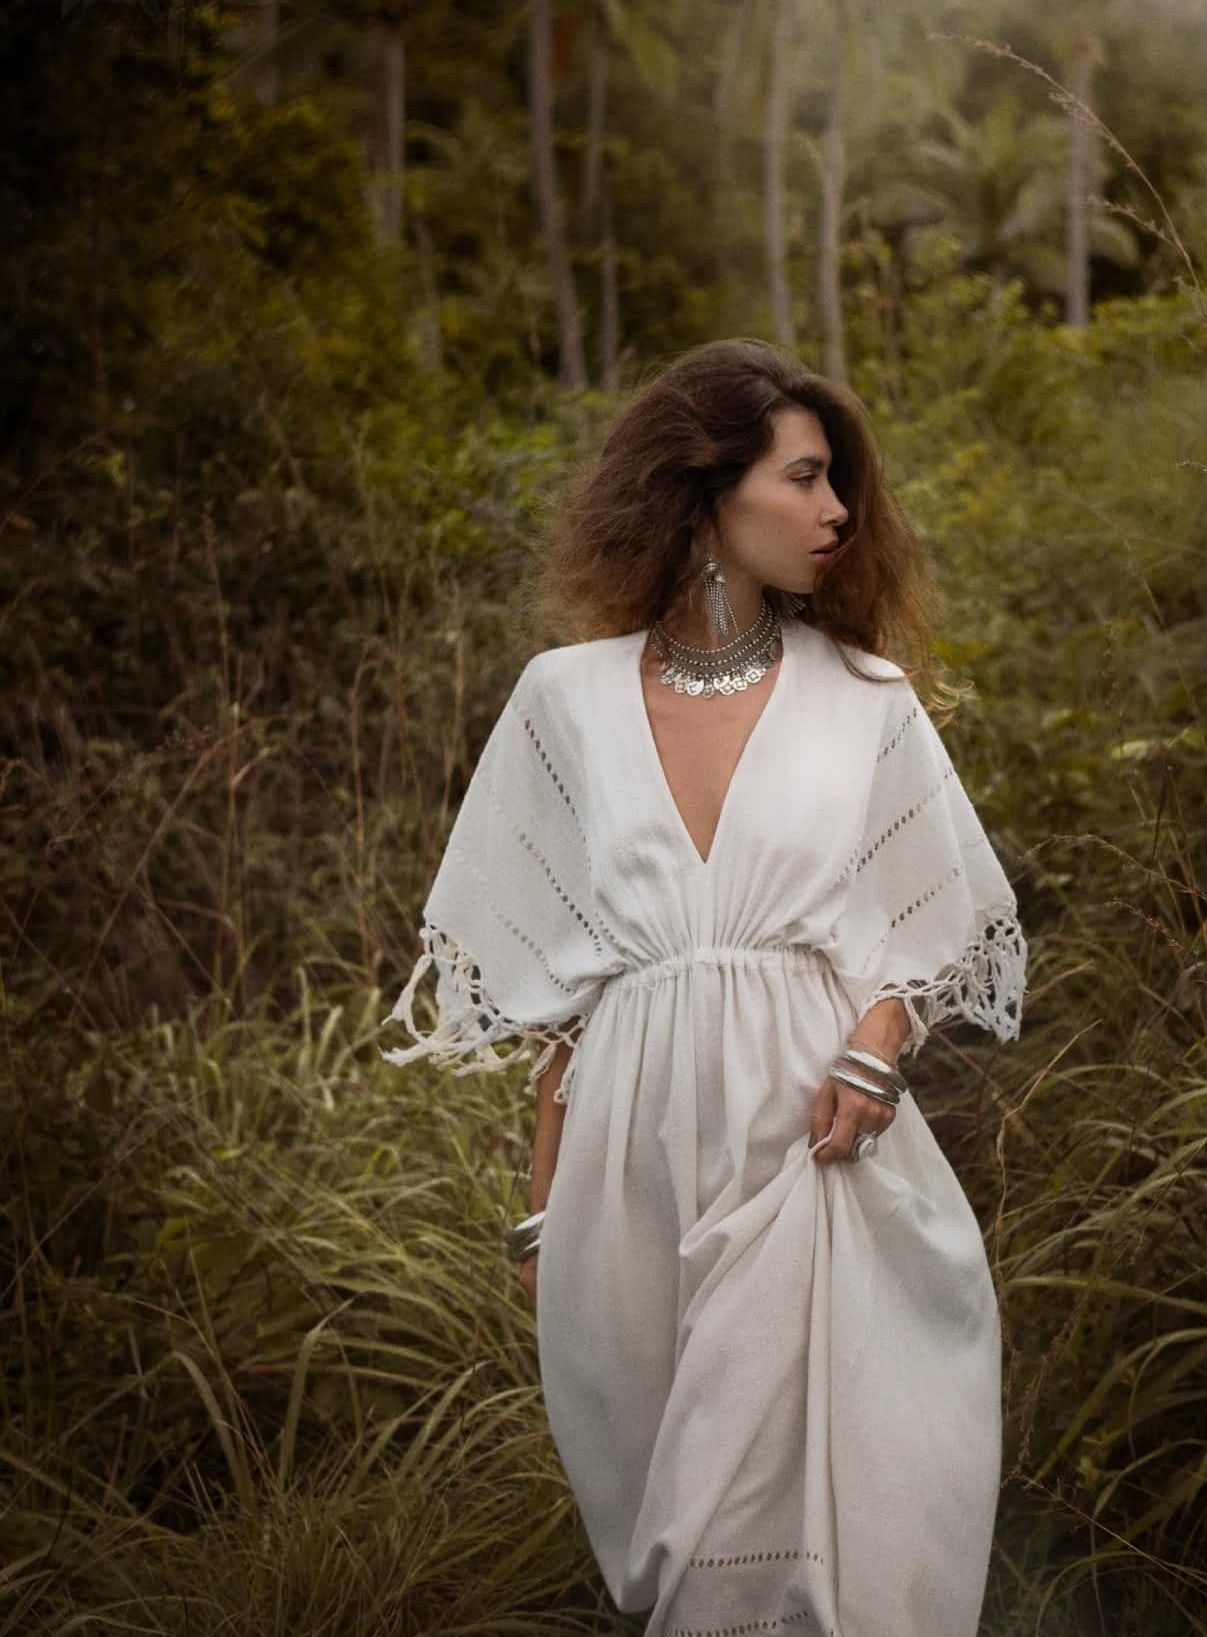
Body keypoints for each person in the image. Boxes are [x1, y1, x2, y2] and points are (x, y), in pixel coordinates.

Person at [383, 338, 1027, 1637]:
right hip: (628, 1166)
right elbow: (564, 989)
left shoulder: (866, 699)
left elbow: (922, 919)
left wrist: (874, 1044)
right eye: (803, 475)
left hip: (812, 1147)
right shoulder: (561, 701)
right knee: (674, 1532)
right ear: (705, 488)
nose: (838, 507)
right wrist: (539, 1209)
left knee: (816, 1531)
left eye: (838, 480)